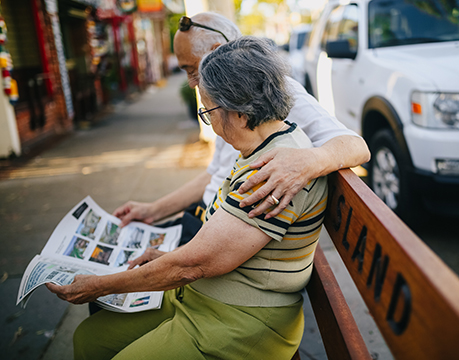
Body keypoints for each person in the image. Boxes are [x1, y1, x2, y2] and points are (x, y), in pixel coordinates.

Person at [47, 36, 329, 360]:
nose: (211, 126)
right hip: (203, 300)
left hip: (238, 322)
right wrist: (169, 254)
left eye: (208, 112)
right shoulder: (272, 143)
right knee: (89, 339)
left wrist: (99, 285)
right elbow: (213, 247)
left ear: (237, 112)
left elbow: (194, 265)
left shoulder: (271, 173)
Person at [112, 12, 370, 236]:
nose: (192, 82)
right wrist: (152, 211)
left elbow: (357, 147)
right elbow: (214, 175)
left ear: (216, 52)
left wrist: (306, 163)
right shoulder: (224, 101)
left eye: (192, 70)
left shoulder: (272, 90)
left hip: (222, 228)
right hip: (206, 217)